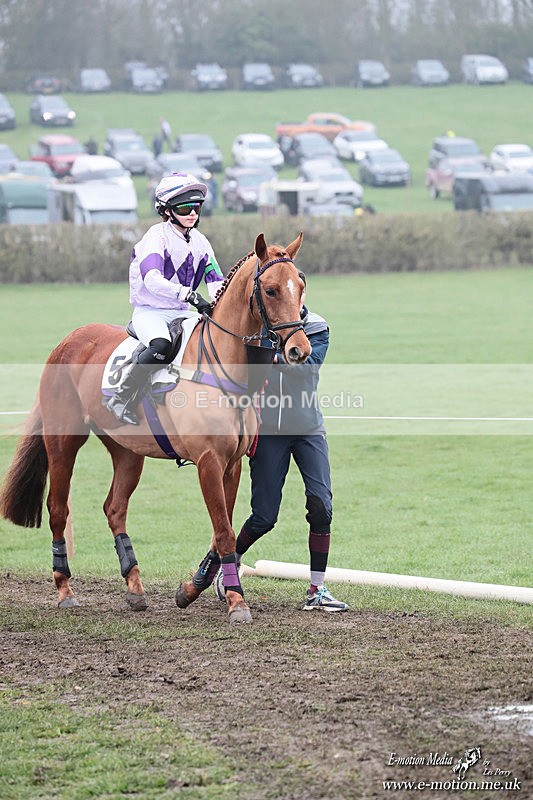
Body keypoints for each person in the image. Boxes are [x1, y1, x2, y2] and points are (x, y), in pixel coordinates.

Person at [211, 308, 348, 612]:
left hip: (308, 430)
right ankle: (224, 566)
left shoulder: (316, 327)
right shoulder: (256, 328)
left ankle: (317, 589)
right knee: (263, 518)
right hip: (268, 432)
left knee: (321, 505)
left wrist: (269, 359)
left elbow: (307, 369)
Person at [106, 172, 224, 426]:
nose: (192, 213)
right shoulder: (155, 236)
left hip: (182, 312)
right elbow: (152, 278)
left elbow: (215, 279)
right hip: (151, 312)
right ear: (167, 210)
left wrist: (220, 304)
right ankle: (120, 398)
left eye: (196, 206)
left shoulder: (201, 242)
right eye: (184, 207)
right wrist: (189, 294)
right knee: (161, 345)